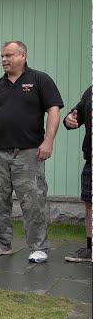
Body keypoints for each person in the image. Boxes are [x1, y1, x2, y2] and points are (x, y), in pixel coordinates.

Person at [0, 41, 63, 264]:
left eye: (9, 55)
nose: (4, 59)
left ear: (23, 55)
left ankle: (38, 247)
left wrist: (48, 141)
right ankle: (0, 244)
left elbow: (53, 110)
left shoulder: (40, 80)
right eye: (2, 56)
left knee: (33, 201)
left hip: (29, 153)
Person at [62, 85, 92, 263]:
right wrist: (69, 119)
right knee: (90, 204)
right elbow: (76, 114)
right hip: (91, 159)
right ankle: (91, 248)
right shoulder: (91, 91)